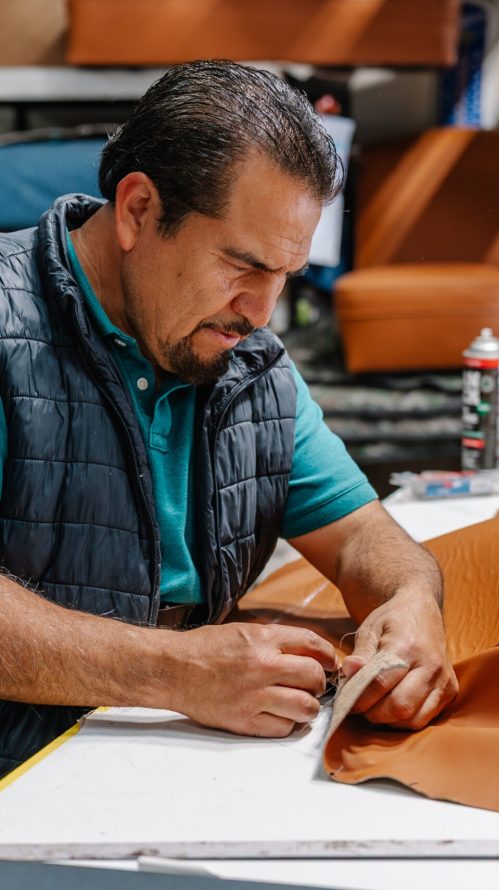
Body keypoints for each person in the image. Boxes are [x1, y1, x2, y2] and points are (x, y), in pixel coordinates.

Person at [0, 60, 457, 777]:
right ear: (138, 211)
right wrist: (175, 671)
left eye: (285, 276)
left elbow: (365, 535)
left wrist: (411, 602)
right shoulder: (7, 327)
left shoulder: (249, 365)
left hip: (149, 764)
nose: (261, 312)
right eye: (242, 265)